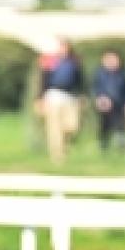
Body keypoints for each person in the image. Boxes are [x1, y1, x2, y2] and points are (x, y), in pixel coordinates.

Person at [34, 37, 84, 165]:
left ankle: (65, 145)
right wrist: (40, 98)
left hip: (70, 96)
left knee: (72, 125)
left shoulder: (74, 62)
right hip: (53, 95)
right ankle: (58, 156)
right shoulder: (49, 61)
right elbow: (43, 80)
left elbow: (80, 80)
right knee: (54, 128)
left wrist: (81, 95)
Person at [92, 49, 125, 154]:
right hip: (104, 105)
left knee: (121, 127)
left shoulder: (124, 74)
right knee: (104, 127)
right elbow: (95, 88)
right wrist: (100, 98)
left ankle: (122, 149)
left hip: (120, 105)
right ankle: (104, 147)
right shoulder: (99, 74)